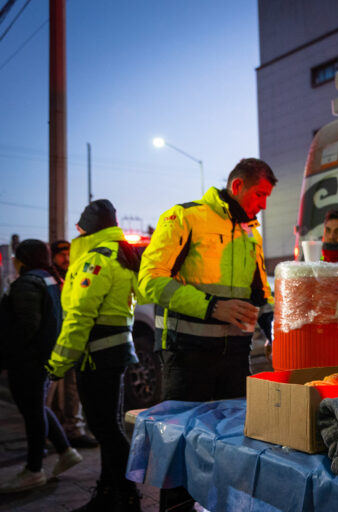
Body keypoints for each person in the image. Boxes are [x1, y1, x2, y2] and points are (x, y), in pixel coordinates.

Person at [138, 158, 276, 512]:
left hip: (235, 356)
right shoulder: (184, 217)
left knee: (230, 445)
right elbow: (150, 280)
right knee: (181, 447)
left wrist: (275, 328)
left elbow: (260, 291)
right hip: (187, 355)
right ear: (237, 187)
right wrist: (212, 307)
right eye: (260, 194)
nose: (263, 204)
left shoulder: (251, 232)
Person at [45, 199, 143, 511]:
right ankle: (111, 492)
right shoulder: (119, 254)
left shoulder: (94, 260)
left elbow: (79, 317)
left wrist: (57, 364)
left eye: (80, 226)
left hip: (97, 358)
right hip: (112, 355)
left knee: (106, 429)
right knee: (108, 426)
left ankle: (125, 495)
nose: (76, 231)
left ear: (89, 227)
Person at [0, 240, 82, 494]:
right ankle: (66, 451)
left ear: (24, 258)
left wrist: (9, 354)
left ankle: (34, 470)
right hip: (47, 356)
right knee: (36, 407)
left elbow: (26, 326)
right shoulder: (51, 279)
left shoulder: (27, 283)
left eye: (16, 256)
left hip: (28, 360)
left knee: (32, 412)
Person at [47, 239, 98, 449]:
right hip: (54, 342)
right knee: (49, 389)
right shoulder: (49, 278)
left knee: (72, 387)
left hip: (72, 339)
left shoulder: (76, 273)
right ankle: (48, 432)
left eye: (68, 253)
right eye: (61, 254)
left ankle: (74, 430)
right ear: (53, 256)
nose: (66, 258)